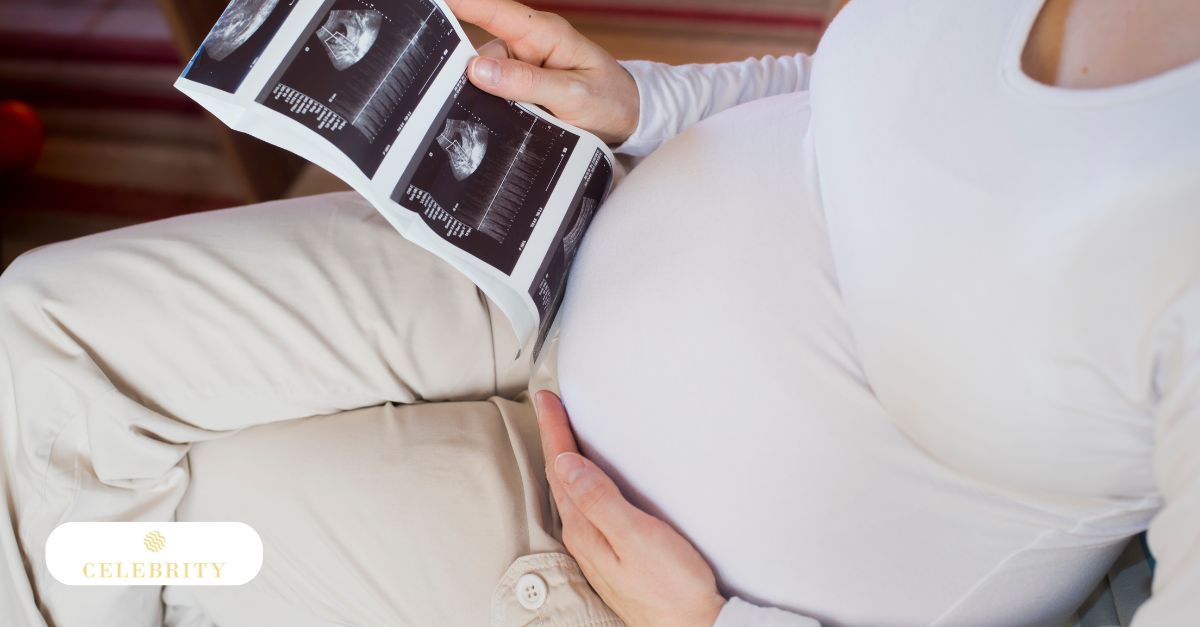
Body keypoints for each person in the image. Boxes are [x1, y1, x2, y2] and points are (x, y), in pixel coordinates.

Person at [1, 0, 1197, 625]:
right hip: (559, 251)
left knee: (176, 542)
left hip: (652, 571)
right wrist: (646, 101)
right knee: (45, 333)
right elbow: (849, 89)